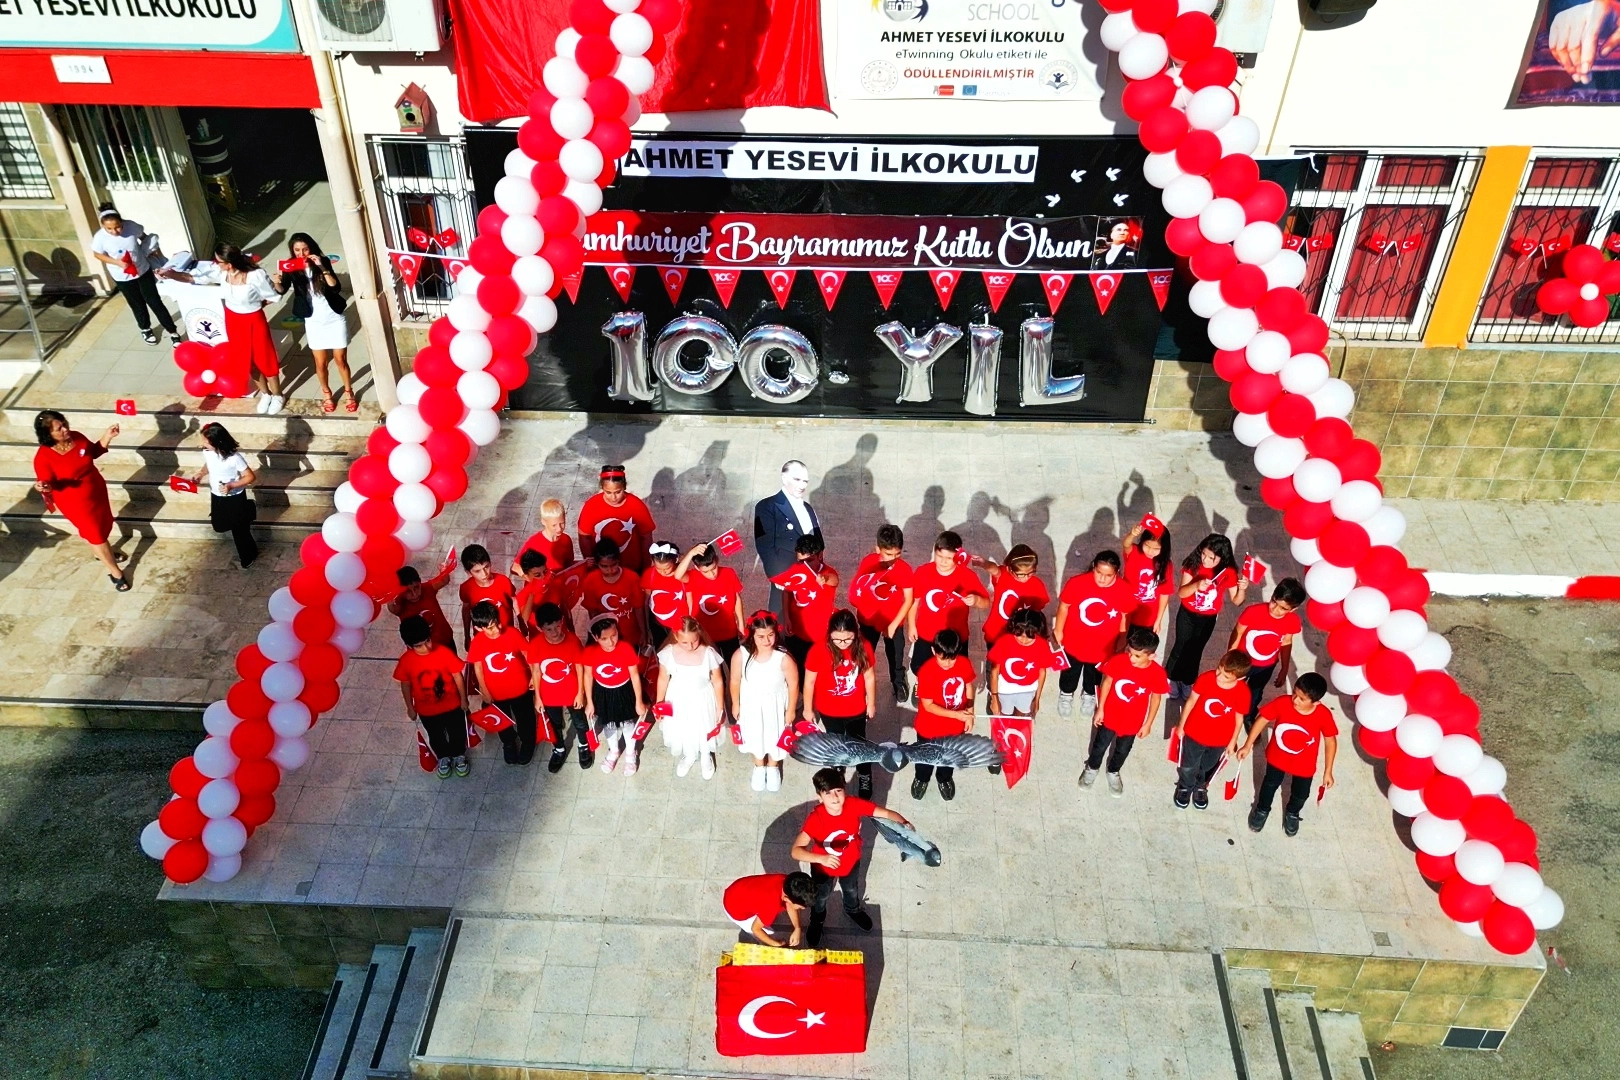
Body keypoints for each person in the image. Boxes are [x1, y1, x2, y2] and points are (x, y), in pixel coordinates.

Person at [789, 767, 911, 946]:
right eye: (828, 793)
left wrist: (903, 822)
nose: (835, 797)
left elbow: (884, 813)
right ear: (819, 797)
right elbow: (796, 850)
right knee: (820, 897)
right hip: (822, 869)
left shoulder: (853, 804)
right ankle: (817, 920)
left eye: (838, 791)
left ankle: (852, 910)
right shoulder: (816, 819)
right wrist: (821, 859)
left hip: (851, 862)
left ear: (844, 790)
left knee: (851, 890)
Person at [160, 243, 285, 414]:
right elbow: (192, 278)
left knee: (264, 359)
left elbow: (274, 296)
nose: (215, 263)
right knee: (247, 361)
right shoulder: (221, 272)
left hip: (254, 321)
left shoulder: (256, 275)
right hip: (233, 321)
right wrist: (170, 274)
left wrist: (255, 306)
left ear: (229, 263)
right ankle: (266, 394)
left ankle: (277, 395)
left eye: (218, 261)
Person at [32, 410, 127, 590]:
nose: (65, 430)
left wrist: (107, 436)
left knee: (103, 525)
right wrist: (42, 486)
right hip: (75, 502)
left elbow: (94, 452)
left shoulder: (76, 437)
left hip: (96, 490)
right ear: (48, 434)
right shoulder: (43, 457)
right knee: (95, 534)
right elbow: (47, 484)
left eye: (65, 424)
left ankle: (101, 553)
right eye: (59, 429)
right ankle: (116, 573)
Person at [1238, 672, 1337, 836]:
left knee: (1301, 794)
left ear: (1316, 702)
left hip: (1304, 765)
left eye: (1302, 699)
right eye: (1295, 694)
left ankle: (1292, 813)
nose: (1295, 700)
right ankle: (1262, 809)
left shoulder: (1323, 715)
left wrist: (1328, 771)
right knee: (1269, 785)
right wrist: (1248, 745)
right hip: (1277, 758)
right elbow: (1262, 719)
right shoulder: (1283, 703)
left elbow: (1330, 741)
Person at [1081, 626, 1167, 796]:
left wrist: (1148, 724)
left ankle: (1113, 771)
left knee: (1123, 749)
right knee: (1100, 745)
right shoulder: (1119, 661)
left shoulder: (1157, 673)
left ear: (1151, 656)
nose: (1131, 658)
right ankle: (1092, 767)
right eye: (1130, 652)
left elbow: (1156, 698)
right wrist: (1101, 709)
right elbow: (1107, 682)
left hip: (1133, 721)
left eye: (1137, 656)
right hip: (1110, 715)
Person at [1052, 550, 1138, 719]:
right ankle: (1066, 694)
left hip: (1104, 644)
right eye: (1099, 573)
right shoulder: (1077, 583)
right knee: (1070, 669)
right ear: (1093, 567)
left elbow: (1125, 616)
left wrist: (1122, 639)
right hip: (1074, 638)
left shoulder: (1124, 589)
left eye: (1108, 575)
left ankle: (1090, 694)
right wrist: (1059, 630)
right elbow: (1064, 606)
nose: (1102, 578)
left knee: (1095, 672)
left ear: (1117, 572)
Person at [803, 610, 878, 799]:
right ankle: (838, 769)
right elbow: (809, 682)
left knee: (858, 743)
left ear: (855, 633)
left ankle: (864, 774)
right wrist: (807, 708)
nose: (843, 644)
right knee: (835, 742)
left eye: (848, 639)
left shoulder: (864, 646)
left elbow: (869, 676)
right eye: (837, 639)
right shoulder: (818, 650)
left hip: (856, 708)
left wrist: (871, 702)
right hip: (829, 709)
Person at [1165, 534, 1249, 699]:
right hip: (1187, 614)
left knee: (1196, 650)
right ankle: (1172, 678)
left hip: (1208, 618)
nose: (1205, 560)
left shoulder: (1228, 572)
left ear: (1222, 558)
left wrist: (1242, 589)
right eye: (1203, 554)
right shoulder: (1193, 565)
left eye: (1211, 558)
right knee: (1180, 646)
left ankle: (1188, 681)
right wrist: (1196, 585)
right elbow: (1181, 593)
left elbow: (1237, 601)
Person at [279, 233, 354, 412]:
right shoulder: (290, 267)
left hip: (333, 316)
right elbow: (282, 290)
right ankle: (326, 393)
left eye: (305, 249)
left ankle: (348, 391)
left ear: (311, 248)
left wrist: (321, 267)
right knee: (320, 363)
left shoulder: (323, 261)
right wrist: (277, 283)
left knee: (340, 359)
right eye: (297, 250)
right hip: (313, 320)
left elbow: (335, 287)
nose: (301, 253)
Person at [906, 530, 988, 689]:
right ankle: (921, 683)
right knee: (920, 665)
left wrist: (976, 600)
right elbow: (914, 601)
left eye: (949, 558)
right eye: (940, 556)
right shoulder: (923, 572)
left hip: (955, 637)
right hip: (927, 633)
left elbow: (985, 603)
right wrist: (911, 625)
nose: (943, 562)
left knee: (956, 668)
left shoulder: (967, 576)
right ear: (934, 551)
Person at [90, 205, 180, 346]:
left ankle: (173, 332)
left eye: (118, 227)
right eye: (109, 229)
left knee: (155, 302)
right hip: (122, 277)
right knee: (137, 304)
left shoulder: (131, 226)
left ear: (122, 222)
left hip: (143, 271)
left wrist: (151, 249)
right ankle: (145, 329)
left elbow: (144, 238)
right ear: (103, 226)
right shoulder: (100, 238)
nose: (114, 231)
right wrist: (117, 262)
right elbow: (97, 254)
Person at [1174, 650, 1252, 811]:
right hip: (1194, 732)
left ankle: (1200, 786)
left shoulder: (1243, 693)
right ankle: (1185, 786)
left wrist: (1232, 742)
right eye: (1219, 670)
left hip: (1220, 739)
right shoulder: (1206, 678)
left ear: (1240, 678)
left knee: (1208, 765)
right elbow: (1191, 702)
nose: (1219, 676)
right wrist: (1181, 725)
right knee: (1189, 764)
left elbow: (1239, 719)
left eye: (1226, 676)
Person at [730, 610, 799, 792]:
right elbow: (735, 681)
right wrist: (736, 703)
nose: (766, 640)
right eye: (761, 636)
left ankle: (773, 766)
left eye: (770, 635)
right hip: (751, 704)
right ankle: (759, 766)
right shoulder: (741, 655)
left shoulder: (783, 658)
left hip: (775, 705)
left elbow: (793, 685)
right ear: (752, 635)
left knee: (775, 734)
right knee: (754, 734)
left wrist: (791, 709)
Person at [395, 613, 469, 778]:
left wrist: (463, 699)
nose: (426, 648)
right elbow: (405, 684)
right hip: (426, 711)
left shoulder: (444, 652)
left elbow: (457, 676)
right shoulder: (406, 661)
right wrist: (410, 707)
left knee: (457, 731)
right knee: (435, 735)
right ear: (409, 645)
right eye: (419, 645)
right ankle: (443, 756)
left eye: (428, 641)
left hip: (452, 705)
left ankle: (459, 754)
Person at [848, 524, 914, 705]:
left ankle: (898, 681)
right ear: (878, 549)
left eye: (897, 554)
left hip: (894, 621)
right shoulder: (868, 562)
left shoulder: (904, 569)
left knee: (896, 655)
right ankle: (862, 682)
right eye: (888, 554)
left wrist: (893, 624)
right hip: (869, 619)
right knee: (865, 652)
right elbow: (858, 590)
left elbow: (908, 599)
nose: (893, 559)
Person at [654, 615, 726, 779]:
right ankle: (689, 754)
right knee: (683, 726)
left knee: (704, 725)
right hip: (677, 698)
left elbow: (717, 681)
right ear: (675, 636)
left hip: (703, 698)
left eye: (694, 641)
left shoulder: (708, 653)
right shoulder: (668, 653)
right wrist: (659, 702)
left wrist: (720, 707)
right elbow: (663, 678)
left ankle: (706, 755)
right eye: (684, 642)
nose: (690, 646)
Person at [1228, 578, 1306, 727]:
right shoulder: (1253, 611)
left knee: (1255, 693)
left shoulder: (1292, 621)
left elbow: (1286, 642)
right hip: (1242, 662)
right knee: (1233, 688)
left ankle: (1248, 716)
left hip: (1266, 666)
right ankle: (1229, 714)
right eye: (1273, 602)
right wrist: (1230, 656)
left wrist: (1284, 668)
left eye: (1283, 608)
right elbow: (1238, 632)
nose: (1275, 609)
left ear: (1293, 609)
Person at [466, 600, 536, 765]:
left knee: (525, 717)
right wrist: (485, 692)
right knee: (501, 719)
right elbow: (478, 668)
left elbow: (528, 655)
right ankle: (508, 742)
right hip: (496, 692)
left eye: (497, 623)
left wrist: (534, 676)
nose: (497, 629)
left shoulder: (512, 633)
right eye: (490, 627)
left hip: (521, 688)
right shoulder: (477, 643)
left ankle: (528, 742)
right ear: (479, 628)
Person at [525, 601, 592, 771]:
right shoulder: (535, 645)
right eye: (549, 629)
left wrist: (580, 693)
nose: (555, 632)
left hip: (571, 691)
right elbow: (536, 671)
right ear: (540, 628)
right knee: (554, 724)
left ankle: (584, 745)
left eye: (557, 626)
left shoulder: (572, 641)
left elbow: (579, 667)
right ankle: (559, 748)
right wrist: (537, 697)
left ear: (562, 621)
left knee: (580, 721)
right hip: (548, 694)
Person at [910, 629, 976, 800]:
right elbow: (928, 706)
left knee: (948, 758)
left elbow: (968, 686)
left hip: (954, 729)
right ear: (933, 651)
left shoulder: (964, 663)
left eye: (952, 658)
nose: (948, 663)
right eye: (943, 658)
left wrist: (970, 711)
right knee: (925, 758)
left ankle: (944, 778)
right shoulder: (926, 672)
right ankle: (921, 778)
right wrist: (957, 715)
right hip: (929, 728)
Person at [755, 460, 822, 617]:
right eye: (797, 479)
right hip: (785, 576)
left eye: (805, 481)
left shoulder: (808, 508)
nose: (802, 485)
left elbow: (818, 541)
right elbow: (764, 544)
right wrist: (777, 576)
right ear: (784, 478)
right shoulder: (766, 506)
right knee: (781, 619)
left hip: (810, 576)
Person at [582, 616, 647, 775]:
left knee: (628, 723)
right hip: (603, 692)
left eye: (614, 635)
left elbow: (634, 676)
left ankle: (631, 752)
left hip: (624, 690)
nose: (611, 642)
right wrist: (589, 702)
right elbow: (588, 676)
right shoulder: (590, 652)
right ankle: (614, 750)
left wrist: (639, 701)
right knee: (608, 724)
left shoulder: (626, 648)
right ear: (595, 637)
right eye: (604, 639)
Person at [188, 422, 257, 569]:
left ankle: (248, 556)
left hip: (234, 497)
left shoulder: (234, 458)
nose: (203, 444)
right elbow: (209, 464)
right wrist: (201, 474)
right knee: (219, 525)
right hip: (217, 494)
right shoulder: (208, 452)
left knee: (239, 530)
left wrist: (232, 485)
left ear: (217, 442)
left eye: (206, 442)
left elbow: (250, 477)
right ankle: (247, 514)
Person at [773, 533, 839, 674]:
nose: (805, 566)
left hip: (819, 635)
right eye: (801, 561)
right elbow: (787, 592)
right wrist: (787, 618)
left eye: (809, 560)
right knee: (798, 667)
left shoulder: (827, 572)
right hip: (797, 630)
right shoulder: (795, 570)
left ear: (820, 555)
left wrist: (825, 579)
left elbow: (834, 580)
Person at [578, 465, 656, 572]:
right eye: (608, 492)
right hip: (602, 568)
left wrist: (646, 568)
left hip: (631, 568)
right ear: (602, 488)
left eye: (618, 492)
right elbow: (584, 536)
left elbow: (646, 538)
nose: (613, 497)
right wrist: (590, 563)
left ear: (624, 487)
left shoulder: (636, 505)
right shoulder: (591, 506)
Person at [988, 607, 1056, 722]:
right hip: (1005, 688)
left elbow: (1042, 672)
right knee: (1003, 714)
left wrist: (1037, 699)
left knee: (1020, 715)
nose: (1023, 640)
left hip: (1028, 689)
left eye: (1029, 637)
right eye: (1019, 635)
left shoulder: (1042, 645)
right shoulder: (1004, 641)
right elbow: (994, 671)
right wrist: (994, 698)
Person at [579, 538, 647, 652]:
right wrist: (597, 635)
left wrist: (643, 632)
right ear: (597, 564)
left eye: (613, 565)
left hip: (630, 633)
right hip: (606, 636)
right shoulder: (590, 581)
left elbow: (638, 608)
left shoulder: (632, 578)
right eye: (604, 566)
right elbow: (592, 612)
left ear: (618, 560)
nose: (610, 570)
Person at [978, 543, 1050, 649]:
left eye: (1030, 573)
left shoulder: (1037, 585)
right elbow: (993, 569)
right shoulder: (1003, 576)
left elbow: (1036, 611)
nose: (1026, 577)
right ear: (1009, 569)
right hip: (997, 633)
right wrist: (983, 563)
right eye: (1021, 574)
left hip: (1020, 635)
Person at [685, 543, 746, 666]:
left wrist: (741, 624)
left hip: (728, 631)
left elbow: (737, 599)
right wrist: (690, 553)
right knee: (713, 669)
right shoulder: (692, 576)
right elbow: (678, 575)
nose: (711, 574)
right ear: (697, 568)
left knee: (735, 665)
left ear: (717, 560)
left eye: (713, 568)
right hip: (705, 634)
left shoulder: (729, 573)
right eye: (706, 571)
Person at [722, 871, 816, 947]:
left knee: (767, 916)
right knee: (770, 934)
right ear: (787, 899)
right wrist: (777, 944)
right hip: (735, 909)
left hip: (736, 890)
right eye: (800, 907)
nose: (802, 908)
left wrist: (797, 928)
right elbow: (756, 929)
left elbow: (790, 905)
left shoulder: (788, 882)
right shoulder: (771, 905)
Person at [1122, 519, 1174, 640]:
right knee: (1121, 642)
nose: (1150, 551)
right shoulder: (1134, 553)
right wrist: (1132, 534)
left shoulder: (1166, 565)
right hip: (1126, 611)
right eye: (1147, 546)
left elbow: (1164, 594)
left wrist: (1158, 620)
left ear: (1163, 548)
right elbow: (1126, 544)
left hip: (1148, 617)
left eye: (1156, 549)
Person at [458, 544, 516, 646]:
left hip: (507, 634)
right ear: (468, 572)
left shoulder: (503, 581)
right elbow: (466, 610)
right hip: (483, 638)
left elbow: (514, 601)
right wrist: (467, 635)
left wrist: (522, 623)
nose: (484, 573)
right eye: (477, 571)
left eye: (486, 567)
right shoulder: (466, 588)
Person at [388, 563, 456, 650]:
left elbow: (444, 580)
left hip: (446, 642)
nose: (414, 594)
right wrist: (389, 597)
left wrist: (443, 570)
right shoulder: (399, 603)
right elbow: (392, 608)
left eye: (416, 587)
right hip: (422, 651)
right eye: (408, 591)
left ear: (420, 582)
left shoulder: (427, 588)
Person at [642, 540, 693, 650]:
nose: (663, 572)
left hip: (681, 627)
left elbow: (690, 601)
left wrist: (690, 626)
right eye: (658, 568)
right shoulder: (649, 574)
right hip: (658, 625)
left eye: (667, 568)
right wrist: (647, 629)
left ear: (675, 560)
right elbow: (646, 602)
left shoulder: (683, 576)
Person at [511, 499, 576, 580]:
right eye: (554, 525)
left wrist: (583, 563)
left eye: (562, 523)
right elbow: (515, 567)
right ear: (543, 522)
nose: (559, 528)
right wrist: (530, 578)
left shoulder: (566, 539)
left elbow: (568, 563)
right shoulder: (534, 542)